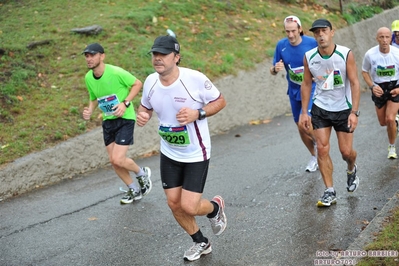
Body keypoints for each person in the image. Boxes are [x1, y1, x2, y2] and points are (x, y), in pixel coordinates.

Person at [136, 35, 227, 261]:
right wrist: (143, 115)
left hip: (196, 152)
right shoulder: (150, 82)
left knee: (189, 206)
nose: (157, 59)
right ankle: (201, 242)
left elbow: (220, 101)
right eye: (155, 54)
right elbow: (145, 106)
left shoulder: (194, 79)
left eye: (163, 55)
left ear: (176, 57)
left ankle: (214, 208)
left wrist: (198, 113)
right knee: (173, 203)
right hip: (169, 152)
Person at [299, 19, 361, 207]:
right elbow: (306, 83)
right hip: (321, 108)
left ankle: (351, 169)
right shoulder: (309, 56)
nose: (320, 35)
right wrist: (304, 112)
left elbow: (355, 83)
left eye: (323, 31)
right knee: (323, 148)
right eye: (316, 32)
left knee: (346, 152)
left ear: (332, 32)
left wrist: (354, 112)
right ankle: (329, 191)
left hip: (343, 108)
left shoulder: (345, 54)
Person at [81, 43, 152, 204]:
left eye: (92, 55)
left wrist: (125, 103)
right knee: (113, 161)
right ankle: (134, 189)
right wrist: (90, 110)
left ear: (102, 56)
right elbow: (94, 98)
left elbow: (137, 83)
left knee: (119, 159)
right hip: (108, 121)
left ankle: (142, 174)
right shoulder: (88, 77)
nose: (89, 58)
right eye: (86, 55)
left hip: (125, 118)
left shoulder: (115, 72)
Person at [270, 15, 318, 172]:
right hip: (294, 90)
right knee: (299, 126)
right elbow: (273, 69)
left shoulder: (312, 43)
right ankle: (315, 155)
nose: (290, 35)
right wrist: (275, 69)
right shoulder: (281, 46)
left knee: (305, 122)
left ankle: (321, 145)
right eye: (287, 31)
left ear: (300, 29)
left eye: (293, 31)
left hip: (312, 88)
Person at [362, 27, 399, 159]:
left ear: (391, 38)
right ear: (377, 38)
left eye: (387, 37)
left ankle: (392, 147)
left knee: (389, 118)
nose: (384, 40)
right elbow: (364, 71)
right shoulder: (370, 54)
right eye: (381, 37)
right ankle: (395, 122)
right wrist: (372, 86)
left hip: (395, 86)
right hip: (379, 87)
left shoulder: (397, 53)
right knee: (383, 122)